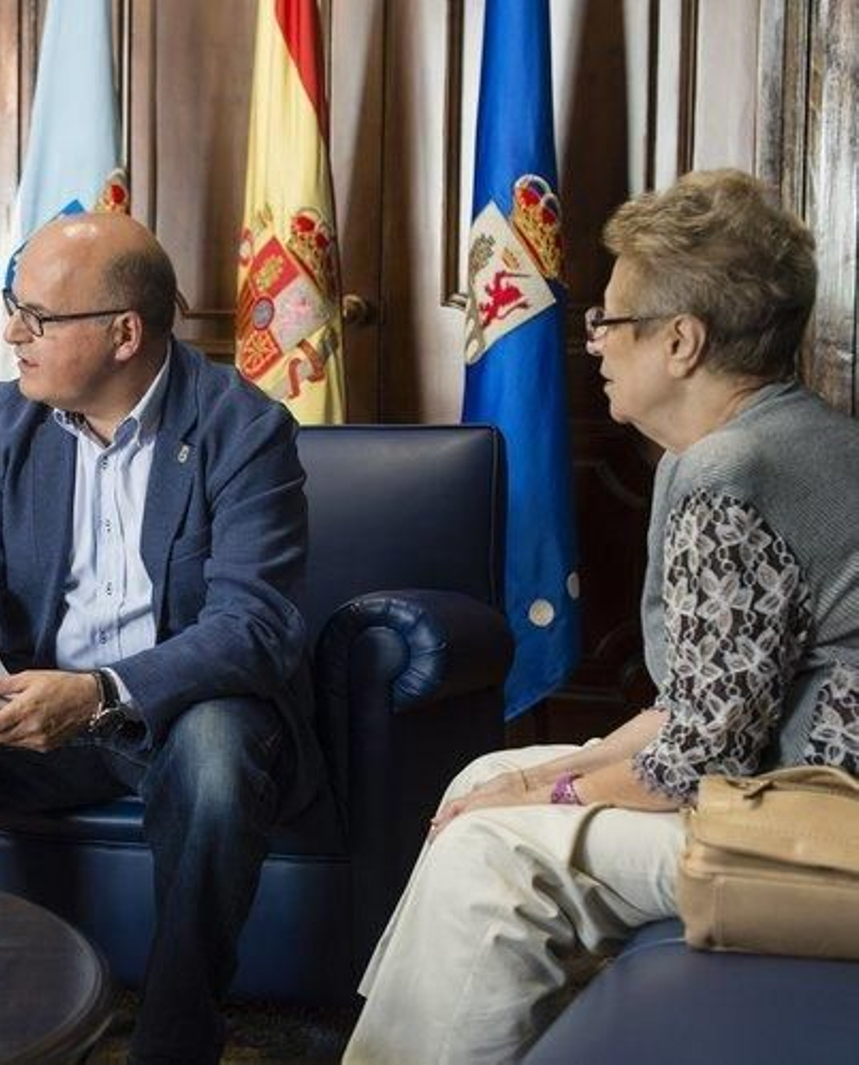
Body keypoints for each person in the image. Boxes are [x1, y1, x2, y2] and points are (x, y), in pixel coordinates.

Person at [345, 168, 859, 1063]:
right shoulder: (803, 437)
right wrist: (545, 773)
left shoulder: (728, 473)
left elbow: (704, 757)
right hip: (797, 792)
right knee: (491, 776)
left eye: (609, 320)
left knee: (490, 848)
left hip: (815, 833)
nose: (592, 344)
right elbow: (707, 699)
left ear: (681, 342)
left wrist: (546, 795)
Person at [0, 212, 320, 1063]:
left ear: (125, 333)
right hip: (26, 707)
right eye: (13, 307)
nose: (12, 332)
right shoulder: (6, 419)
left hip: (163, 720)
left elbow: (255, 626)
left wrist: (99, 691)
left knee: (217, 746)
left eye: (37, 318)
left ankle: (175, 1036)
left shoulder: (243, 429)